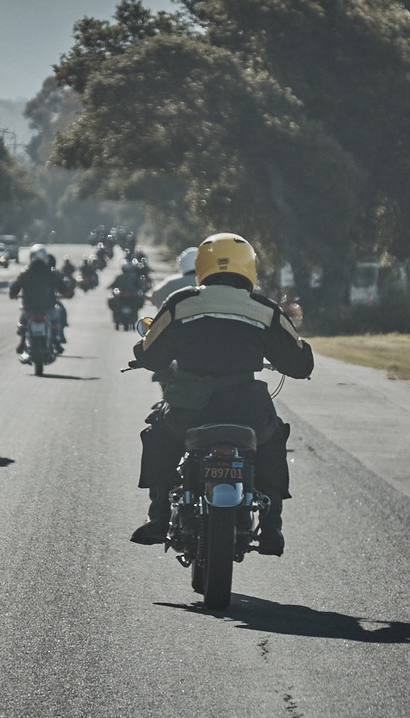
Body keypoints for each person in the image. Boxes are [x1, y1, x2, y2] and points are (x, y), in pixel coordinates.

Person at [130, 233, 313, 556]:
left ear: (203, 266)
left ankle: (158, 516)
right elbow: (299, 363)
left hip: (190, 408)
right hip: (247, 408)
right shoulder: (265, 310)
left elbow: (150, 354)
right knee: (272, 439)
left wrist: (142, 354)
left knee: (159, 432)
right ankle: (272, 527)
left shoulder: (181, 303)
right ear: (249, 268)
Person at [8, 244, 70, 349]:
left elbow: (15, 288)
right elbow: (62, 288)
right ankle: (56, 341)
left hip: (29, 308)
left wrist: (13, 294)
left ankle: (22, 341)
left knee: (22, 323)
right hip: (47, 308)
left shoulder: (25, 272)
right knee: (55, 320)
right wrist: (67, 293)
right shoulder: (50, 273)